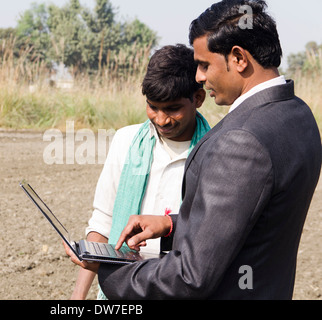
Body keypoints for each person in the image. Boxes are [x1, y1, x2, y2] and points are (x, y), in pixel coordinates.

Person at [94, 0, 322, 299]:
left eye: (204, 64)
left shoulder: (241, 140)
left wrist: (113, 273)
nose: (199, 76)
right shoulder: (297, 114)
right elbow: (250, 218)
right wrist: (170, 225)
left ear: (238, 58)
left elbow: (190, 276)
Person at [66, 44, 211, 300]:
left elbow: (210, 235)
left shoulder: (215, 151)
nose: (161, 119)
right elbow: (104, 219)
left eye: (173, 109)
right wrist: (77, 300)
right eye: (153, 107)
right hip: (121, 291)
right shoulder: (126, 141)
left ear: (197, 99)